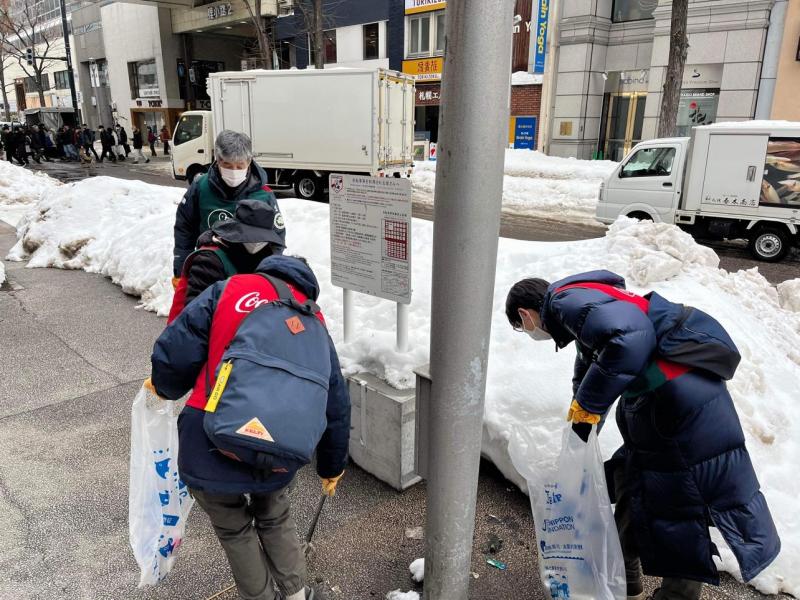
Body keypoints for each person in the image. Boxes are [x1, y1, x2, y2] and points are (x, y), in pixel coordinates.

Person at [505, 271, 780, 600]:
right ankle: (625, 579)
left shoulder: (566, 303)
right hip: (661, 400)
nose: (529, 332)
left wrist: (588, 406)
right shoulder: (580, 304)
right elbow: (592, 366)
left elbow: (630, 337)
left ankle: (676, 596)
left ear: (525, 315)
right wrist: (581, 422)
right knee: (633, 479)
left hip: (678, 403)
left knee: (677, 498)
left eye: (522, 327)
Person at [148, 254, 350, 600]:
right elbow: (335, 399)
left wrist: (164, 386)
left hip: (210, 438)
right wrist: (332, 466)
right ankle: (297, 594)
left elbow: (175, 349)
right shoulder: (312, 317)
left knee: (233, 528)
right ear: (306, 286)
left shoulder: (227, 290)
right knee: (274, 515)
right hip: (277, 450)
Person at [172, 129, 279, 283]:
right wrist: (181, 268)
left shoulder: (263, 195)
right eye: (227, 165)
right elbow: (185, 228)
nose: (234, 171)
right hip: (208, 269)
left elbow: (276, 239)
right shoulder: (200, 187)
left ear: (249, 162)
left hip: (248, 276)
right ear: (218, 159)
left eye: (239, 165)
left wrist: (269, 276)